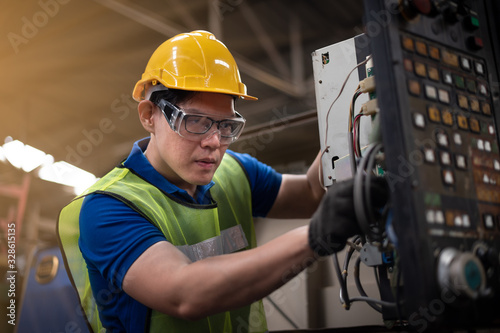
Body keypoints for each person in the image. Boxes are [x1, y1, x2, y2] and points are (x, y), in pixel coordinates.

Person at [58, 30, 386, 333]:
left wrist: (353, 111)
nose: (215, 141)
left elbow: (313, 191)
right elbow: (183, 293)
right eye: (196, 122)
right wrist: (314, 238)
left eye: (226, 126)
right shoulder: (109, 206)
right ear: (149, 116)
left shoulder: (234, 172)